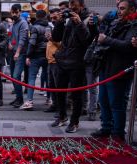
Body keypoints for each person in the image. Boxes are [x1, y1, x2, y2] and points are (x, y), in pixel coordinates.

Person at [91, 0, 137, 141]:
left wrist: (106, 39)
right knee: (104, 101)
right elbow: (101, 37)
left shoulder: (136, 25)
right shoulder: (115, 22)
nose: (119, 11)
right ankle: (106, 128)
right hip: (106, 68)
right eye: (118, 8)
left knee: (117, 104)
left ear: (132, 10)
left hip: (120, 70)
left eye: (122, 8)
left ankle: (118, 133)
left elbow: (128, 46)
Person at [51, 0, 93, 133]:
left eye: (74, 5)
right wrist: (59, 22)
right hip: (63, 60)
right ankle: (62, 117)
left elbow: (87, 40)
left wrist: (79, 23)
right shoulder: (67, 19)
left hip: (78, 62)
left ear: (81, 5)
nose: (71, 8)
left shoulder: (89, 18)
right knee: (59, 92)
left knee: (76, 94)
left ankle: (75, 121)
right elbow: (56, 38)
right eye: (70, 5)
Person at [20, 10, 49, 110]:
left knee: (31, 78)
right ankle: (49, 99)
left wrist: (28, 56)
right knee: (48, 78)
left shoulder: (35, 28)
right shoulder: (50, 27)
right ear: (45, 16)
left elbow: (32, 43)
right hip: (48, 56)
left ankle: (29, 101)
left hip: (36, 56)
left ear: (36, 17)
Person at [8, 4, 29, 108]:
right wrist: (10, 43)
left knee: (16, 76)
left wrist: (17, 52)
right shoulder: (13, 23)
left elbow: (22, 39)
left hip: (20, 53)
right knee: (13, 76)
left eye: (16, 12)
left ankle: (20, 99)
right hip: (13, 52)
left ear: (20, 12)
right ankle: (18, 97)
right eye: (13, 12)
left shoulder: (23, 23)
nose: (15, 14)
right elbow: (10, 35)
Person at [44, 8, 61, 113]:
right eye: (51, 18)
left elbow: (62, 46)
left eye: (55, 17)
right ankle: (54, 104)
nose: (53, 20)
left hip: (57, 61)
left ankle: (59, 107)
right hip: (50, 61)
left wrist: (52, 40)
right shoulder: (52, 28)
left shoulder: (62, 28)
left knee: (57, 86)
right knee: (51, 85)